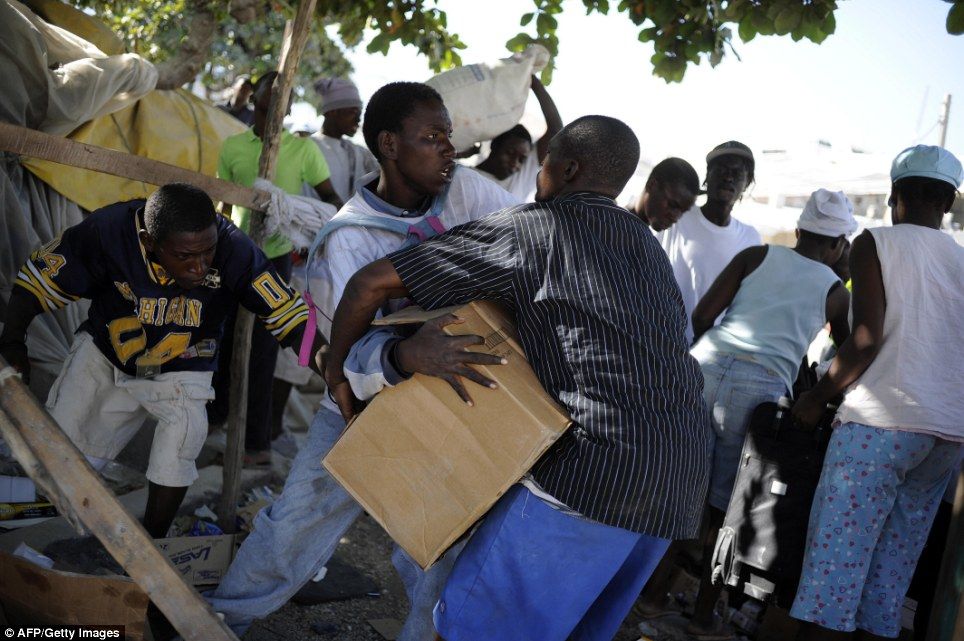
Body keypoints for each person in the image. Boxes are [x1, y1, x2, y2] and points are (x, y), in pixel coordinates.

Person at [324, 115, 711, 641]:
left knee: (472, 632)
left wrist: (336, 370)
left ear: (567, 169)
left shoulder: (538, 227)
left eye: (545, 162)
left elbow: (370, 284)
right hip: (679, 480)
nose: (537, 174)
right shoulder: (648, 250)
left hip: (594, 474)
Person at [205, 81, 518, 639]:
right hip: (359, 407)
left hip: (446, 400)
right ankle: (218, 622)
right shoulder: (348, 238)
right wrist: (405, 353)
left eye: (449, 136)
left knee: (442, 545)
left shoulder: (467, 192)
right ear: (390, 145)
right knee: (295, 526)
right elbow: (342, 357)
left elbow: (526, 243)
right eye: (433, 137)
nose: (450, 149)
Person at [0, 183, 321, 538]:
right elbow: (37, 281)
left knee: (183, 438)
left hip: (185, 361)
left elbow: (289, 315)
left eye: (208, 253)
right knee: (62, 458)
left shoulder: (233, 247)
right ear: (149, 242)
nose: (200, 267)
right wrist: (13, 341)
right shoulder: (108, 233)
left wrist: (329, 367)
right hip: (108, 354)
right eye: (185, 256)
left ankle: (152, 544)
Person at [790, 145, 964, 641]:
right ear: (947, 203)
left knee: (833, 577)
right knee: (888, 582)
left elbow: (865, 339)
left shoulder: (875, 243)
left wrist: (816, 397)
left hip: (879, 428)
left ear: (893, 195)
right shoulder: (962, 259)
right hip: (946, 436)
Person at [680, 189, 855, 639]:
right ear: (839, 244)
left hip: (704, 366)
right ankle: (702, 616)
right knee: (725, 508)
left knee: (675, 486)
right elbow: (849, 351)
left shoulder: (756, 255)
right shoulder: (835, 292)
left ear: (798, 230)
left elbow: (703, 316)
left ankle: (652, 592)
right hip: (757, 390)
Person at [213, 70, 342, 466]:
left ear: (288, 109)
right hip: (235, 254)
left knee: (266, 347)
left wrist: (302, 217)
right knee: (224, 337)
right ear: (255, 100)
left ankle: (256, 444)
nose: (275, 108)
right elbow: (222, 209)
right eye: (269, 98)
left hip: (276, 257)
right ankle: (215, 419)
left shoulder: (303, 151)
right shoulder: (233, 146)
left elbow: (332, 201)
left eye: (283, 101)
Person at [657, 141, 762, 343]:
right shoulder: (677, 217)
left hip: (713, 352)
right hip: (664, 343)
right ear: (707, 175)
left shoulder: (751, 238)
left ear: (747, 182)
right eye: (721, 169)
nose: (728, 177)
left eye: (737, 173)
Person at [473, 74, 563, 200]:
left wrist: (534, 82)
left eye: (522, 159)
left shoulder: (522, 175)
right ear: (495, 145)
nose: (515, 163)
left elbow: (556, 130)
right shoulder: (465, 176)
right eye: (510, 153)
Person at [310, 77, 380, 202]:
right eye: (353, 112)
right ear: (333, 112)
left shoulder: (359, 152)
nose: (358, 119)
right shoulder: (309, 147)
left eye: (359, 113)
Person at [628, 157, 701, 231]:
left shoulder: (638, 233)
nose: (675, 218)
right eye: (672, 205)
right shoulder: (623, 227)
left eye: (683, 211)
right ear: (651, 185)